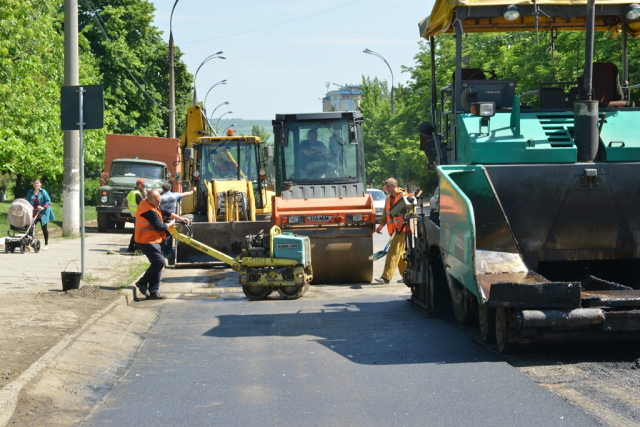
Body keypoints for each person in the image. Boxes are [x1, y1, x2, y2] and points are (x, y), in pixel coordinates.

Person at [134, 189, 189, 300]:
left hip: (153, 239)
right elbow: (160, 227)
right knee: (160, 262)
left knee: (157, 264)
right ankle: (142, 282)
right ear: (150, 200)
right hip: (145, 240)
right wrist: (172, 223)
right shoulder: (148, 211)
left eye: (160, 199)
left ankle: (153, 293)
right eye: (157, 200)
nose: (159, 202)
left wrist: (180, 218)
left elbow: (165, 211)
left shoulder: (152, 203)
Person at [375, 178, 411, 284]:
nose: (386, 189)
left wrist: (404, 220)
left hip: (402, 229)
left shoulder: (403, 196)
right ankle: (407, 275)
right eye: (386, 187)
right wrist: (381, 225)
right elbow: (386, 215)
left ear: (395, 186)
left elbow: (411, 210)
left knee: (392, 252)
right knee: (400, 255)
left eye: (388, 187)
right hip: (394, 230)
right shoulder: (388, 199)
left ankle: (386, 277)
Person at [160, 182, 195, 257]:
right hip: (171, 219)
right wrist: (192, 191)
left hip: (161, 219)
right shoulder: (175, 195)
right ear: (170, 188)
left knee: (162, 234)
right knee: (170, 234)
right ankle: (169, 250)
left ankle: (162, 250)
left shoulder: (160, 198)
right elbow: (185, 194)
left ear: (162, 189)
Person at [25, 178, 54, 251]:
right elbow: (27, 202)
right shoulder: (30, 192)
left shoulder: (43, 192)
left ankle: (46, 244)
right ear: (33, 184)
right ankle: (29, 243)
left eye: (38, 183)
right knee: (31, 227)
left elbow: (48, 202)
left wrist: (43, 207)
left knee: (44, 228)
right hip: (34, 212)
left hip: (43, 212)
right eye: (35, 183)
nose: (36, 185)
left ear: (40, 184)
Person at [126, 179, 147, 252]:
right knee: (138, 232)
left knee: (136, 231)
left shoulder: (131, 192)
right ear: (140, 185)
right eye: (143, 185)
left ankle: (131, 247)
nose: (144, 187)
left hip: (134, 214)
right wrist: (145, 195)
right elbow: (142, 204)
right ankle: (135, 248)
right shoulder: (137, 194)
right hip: (139, 215)